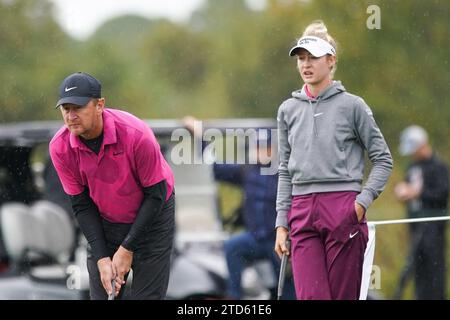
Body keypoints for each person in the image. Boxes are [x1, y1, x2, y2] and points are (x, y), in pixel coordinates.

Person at [274, 21, 393, 300]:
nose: (306, 64)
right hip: (302, 212)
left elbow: (383, 159)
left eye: (313, 57)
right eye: (301, 58)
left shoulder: (353, 106)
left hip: (343, 207)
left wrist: (360, 205)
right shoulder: (287, 110)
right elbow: (284, 171)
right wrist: (281, 224)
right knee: (311, 296)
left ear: (331, 60)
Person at [49, 72, 175, 300]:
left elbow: (155, 194)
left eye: (78, 107)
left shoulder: (137, 135)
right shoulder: (59, 148)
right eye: (66, 109)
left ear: (99, 105)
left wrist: (127, 248)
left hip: (153, 217)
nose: (71, 115)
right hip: (106, 222)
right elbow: (82, 205)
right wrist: (101, 258)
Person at [183, 117, 295, 300]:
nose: (262, 151)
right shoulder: (247, 171)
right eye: (258, 147)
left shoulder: (284, 173)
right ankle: (234, 297)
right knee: (232, 247)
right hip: (255, 239)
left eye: (266, 147)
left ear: (274, 149)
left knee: (288, 286)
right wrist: (200, 137)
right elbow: (215, 167)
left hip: (279, 240)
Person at [394, 125, 448, 300]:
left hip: (433, 229)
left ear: (422, 145)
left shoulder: (439, 168)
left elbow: (442, 194)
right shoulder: (412, 168)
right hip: (415, 227)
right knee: (418, 270)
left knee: (434, 270)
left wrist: (418, 193)